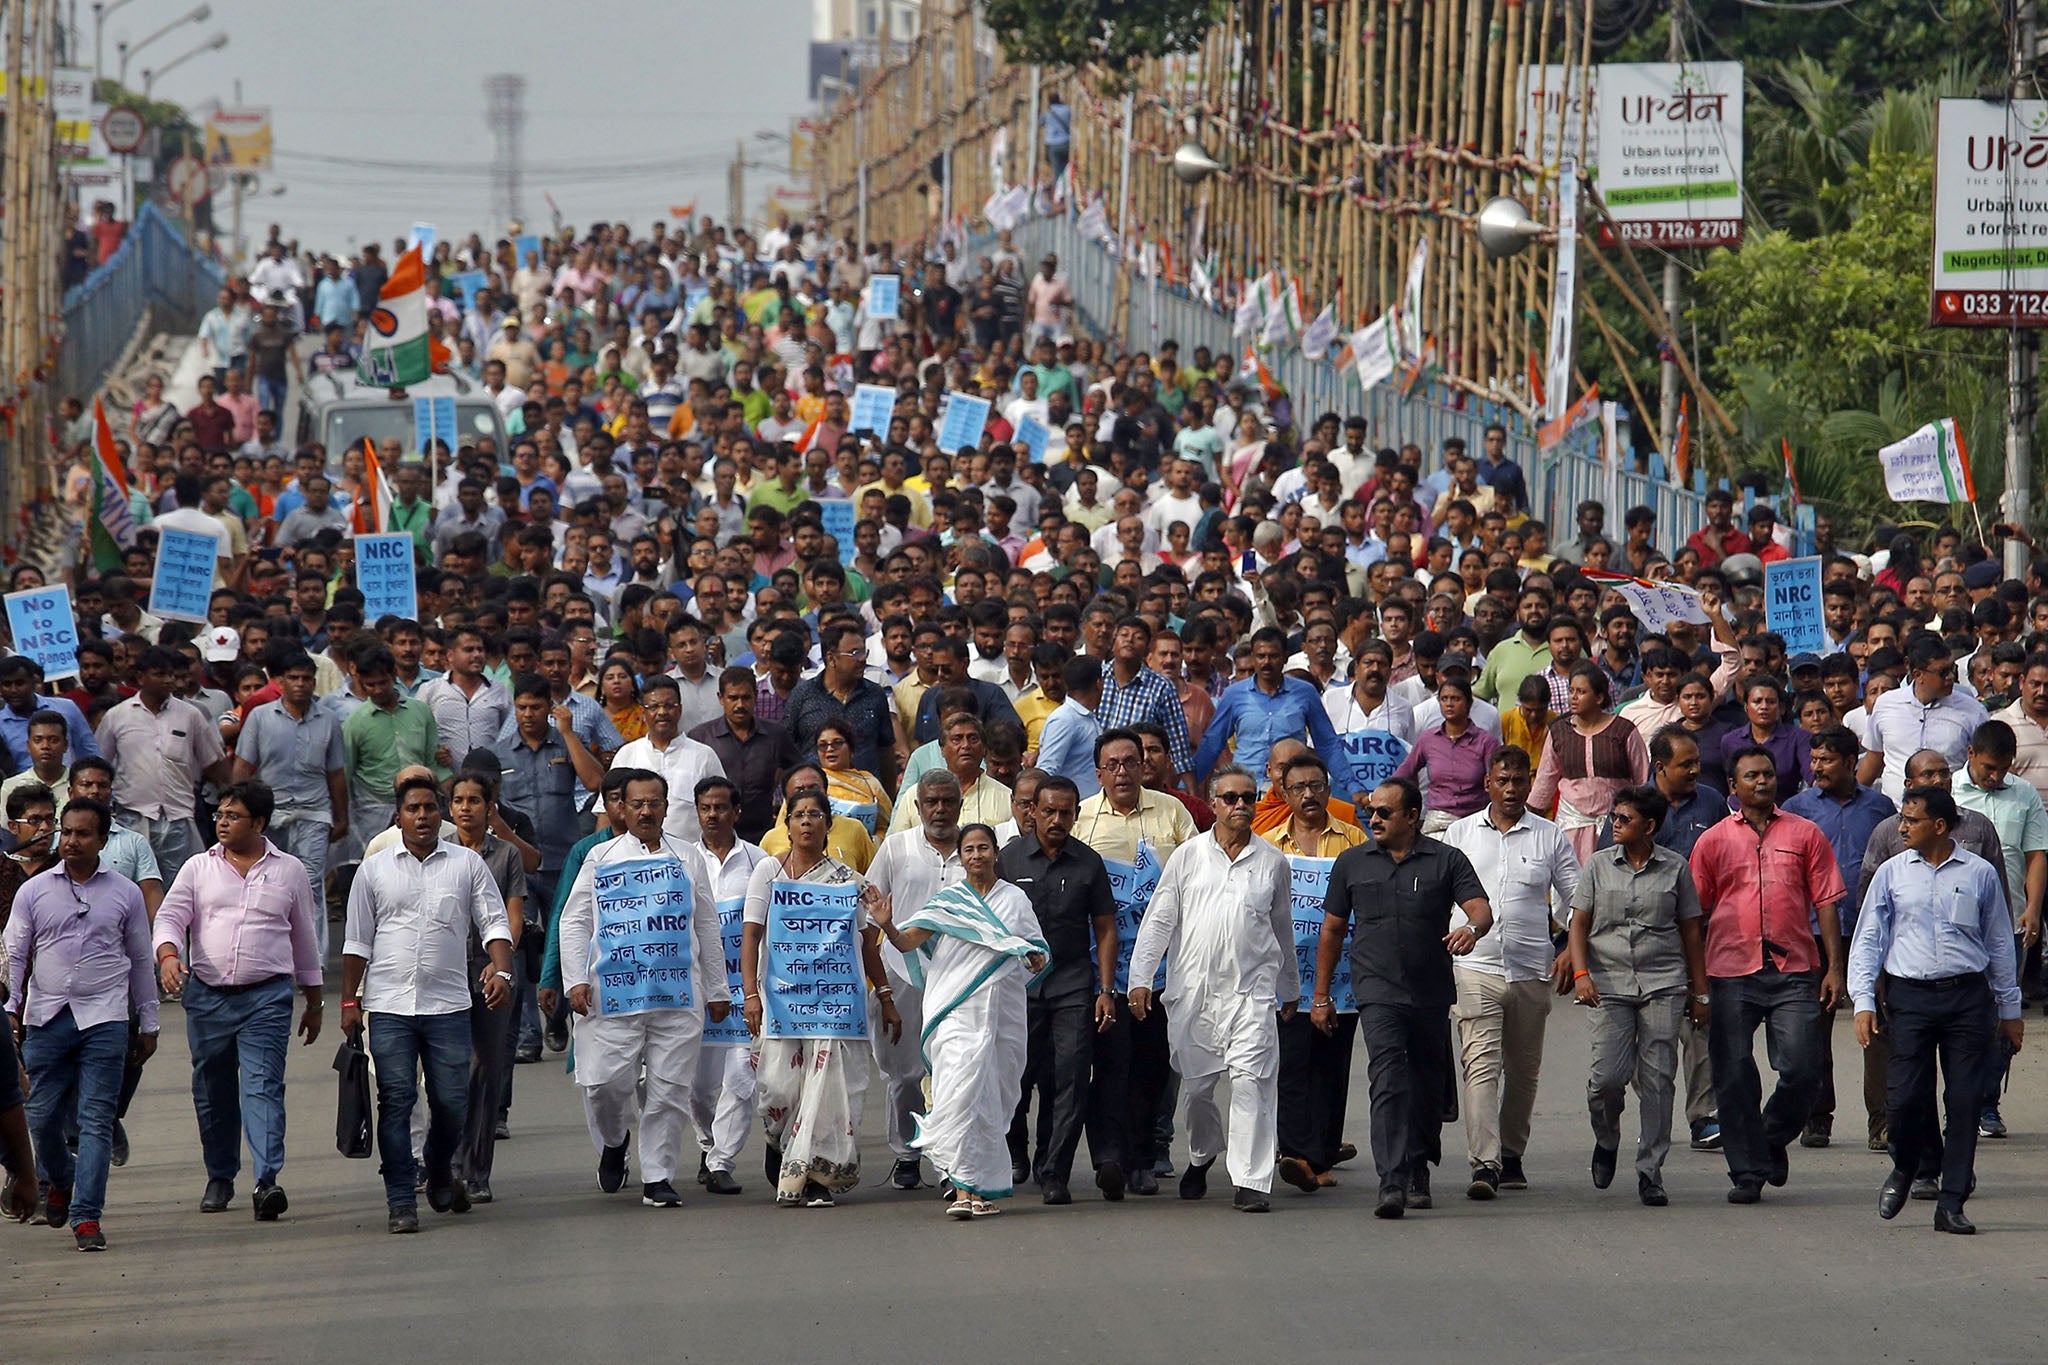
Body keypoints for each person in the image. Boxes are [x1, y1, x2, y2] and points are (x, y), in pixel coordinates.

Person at [341, 774, 515, 1234]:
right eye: (412, 809)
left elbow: (495, 923)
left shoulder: (466, 865)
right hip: (389, 1005)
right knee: (396, 1101)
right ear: (397, 817)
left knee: (452, 1104)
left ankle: (439, 1168)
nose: (422, 816)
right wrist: (348, 1003)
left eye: (429, 809)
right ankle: (401, 1199)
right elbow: (356, 941)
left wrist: (501, 971)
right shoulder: (373, 870)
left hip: (449, 1006)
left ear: (441, 815)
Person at [1315, 776, 1493, 1218]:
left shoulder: (1446, 860)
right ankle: (1392, 1180)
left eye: (1384, 813)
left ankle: (1419, 1165)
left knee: (1426, 1085)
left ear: (1413, 818)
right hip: (1377, 991)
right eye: (1371, 811)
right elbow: (1333, 930)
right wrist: (1321, 995)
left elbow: (1481, 910)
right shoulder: (1352, 863)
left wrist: (1470, 931)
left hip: (1430, 992)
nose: (1373, 819)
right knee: (1389, 1080)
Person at [1852, 786, 2021, 1235]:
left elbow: (2000, 942)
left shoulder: (1979, 873)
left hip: (1968, 999)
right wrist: (1864, 1001)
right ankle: (1906, 1166)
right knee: (1905, 1097)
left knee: (1964, 1101)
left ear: (1940, 827)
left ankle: (1952, 1201)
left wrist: (2010, 1009)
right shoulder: (1892, 873)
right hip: (1910, 998)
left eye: (1911, 820)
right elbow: (1868, 938)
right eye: (1902, 819)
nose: (1901, 827)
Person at [151, 781, 324, 1222]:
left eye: (233, 816)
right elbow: (170, 916)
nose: (222, 823)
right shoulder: (197, 868)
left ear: (259, 823)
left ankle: (267, 1181)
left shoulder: (289, 871)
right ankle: (220, 1174)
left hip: (266, 997)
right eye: (219, 815)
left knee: (263, 1085)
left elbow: (305, 935)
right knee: (212, 1089)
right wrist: (169, 954)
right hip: (208, 997)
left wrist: (315, 998)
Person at [1126, 763, 1294, 1213]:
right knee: (1199, 1091)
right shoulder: (1188, 856)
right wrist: (1140, 979)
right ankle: (1201, 1156)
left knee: (1250, 1084)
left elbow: (1282, 931)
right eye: (1231, 798)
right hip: (1193, 994)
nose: (1241, 805)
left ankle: (1251, 1180)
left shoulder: (1272, 863)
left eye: (1249, 797)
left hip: (1251, 994)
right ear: (1214, 804)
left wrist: (1290, 988)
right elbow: (1160, 919)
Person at [557, 769, 724, 1208]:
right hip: (615, 995)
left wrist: (719, 987)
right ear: (621, 809)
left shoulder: (688, 857)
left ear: (667, 809)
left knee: (669, 1090)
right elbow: (574, 920)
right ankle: (614, 1141)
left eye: (655, 803)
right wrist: (574, 978)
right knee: (605, 1085)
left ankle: (658, 1177)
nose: (646, 811)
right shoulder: (602, 858)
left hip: (677, 995)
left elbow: (706, 922)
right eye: (637, 804)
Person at [1689, 747, 1848, 1204]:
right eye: (1751, 776)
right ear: (1734, 788)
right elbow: (1695, 916)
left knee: (1803, 1069)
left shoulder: (1805, 833)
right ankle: (1747, 1171)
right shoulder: (1714, 841)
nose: (1762, 781)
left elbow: (1826, 902)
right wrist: (1696, 983)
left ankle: (1768, 1137)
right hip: (1729, 970)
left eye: (1768, 774)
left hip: (1795, 968)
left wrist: (1833, 967)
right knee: (1733, 1073)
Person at [3, 798, 158, 1251]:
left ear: (102, 840)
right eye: (66, 832)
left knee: (95, 1121)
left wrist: (148, 1021)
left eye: (82, 834)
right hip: (46, 1017)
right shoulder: (34, 892)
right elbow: (14, 952)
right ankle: (62, 1179)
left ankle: (86, 1217)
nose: (70, 841)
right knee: (39, 1115)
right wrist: (10, 1007)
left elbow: (140, 959)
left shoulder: (125, 893)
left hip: (105, 1018)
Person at [872, 822, 1048, 1219]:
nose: (976, 856)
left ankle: (979, 1190)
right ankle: (962, 1188)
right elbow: (907, 942)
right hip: (954, 1013)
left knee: (991, 1096)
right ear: (962, 856)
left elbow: (1035, 949)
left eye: (983, 848)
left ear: (995, 852)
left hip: (1001, 1014)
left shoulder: (1014, 900)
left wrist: (1035, 957)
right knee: (957, 1094)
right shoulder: (948, 902)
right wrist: (885, 922)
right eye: (968, 850)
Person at [740, 790, 899, 1207]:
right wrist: (750, 995)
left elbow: (867, 943)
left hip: (834, 1005)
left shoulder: (848, 881)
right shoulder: (769, 873)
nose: (807, 822)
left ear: (829, 825)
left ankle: (814, 1178)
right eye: (799, 815)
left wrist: (885, 995)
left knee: (828, 1089)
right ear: (786, 825)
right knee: (776, 1088)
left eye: (815, 815)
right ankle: (780, 1143)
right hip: (780, 1002)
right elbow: (751, 935)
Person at [1439, 746, 1579, 1198]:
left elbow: (1575, 899)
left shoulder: (1549, 836)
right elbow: (1438, 901)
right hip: (1474, 966)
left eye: (1520, 781)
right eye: (1503, 780)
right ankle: (1485, 1164)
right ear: (1488, 784)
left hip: (1531, 969)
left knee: (1523, 1070)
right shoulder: (1458, 835)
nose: (1513, 789)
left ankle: (1512, 1153)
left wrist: (1572, 952)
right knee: (1480, 1066)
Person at [1567, 784, 1709, 1207]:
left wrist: (1699, 992)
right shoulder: (1596, 865)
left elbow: (1690, 931)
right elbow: (1578, 924)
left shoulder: (1676, 868)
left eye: (1624, 819)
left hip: (1663, 981)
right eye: (1614, 817)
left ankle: (1650, 1170)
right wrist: (1580, 973)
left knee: (1658, 1079)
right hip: (1607, 984)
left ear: (1649, 827)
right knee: (1606, 1079)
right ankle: (1607, 1138)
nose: (1615, 824)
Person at [1076, 727, 1198, 1194]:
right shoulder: (1083, 819)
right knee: (1109, 1064)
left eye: (1132, 762)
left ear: (1145, 767)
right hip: (1103, 967)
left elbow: (1196, 873)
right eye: (1114, 765)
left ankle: (1145, 1158)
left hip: (1164, 968)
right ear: (1099, 772)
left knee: (1152, 1065)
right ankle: (1109, 1156)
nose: (1124, 772)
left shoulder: (1172, 813)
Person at [997, 773, 1120, 1203]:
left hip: (1073, 986)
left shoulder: (1089, 863)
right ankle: (1014, 1152)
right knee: (1015, 1075)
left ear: (1076, 814)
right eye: (1047, 810)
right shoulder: (1008, 860)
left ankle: (1055, 1171)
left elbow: (1105, 929)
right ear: (1032, 811)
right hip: (1017, 987)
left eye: (1065, 812)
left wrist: (1106, 989)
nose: (1055, 819)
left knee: (1070, 1079)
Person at [1781, 725, 1897, 1149]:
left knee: (1879, 1027)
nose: (1817, 768)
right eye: (1813, 760)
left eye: (1826, 760)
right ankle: (1816, 1116)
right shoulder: (1797, 807)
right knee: (1814, 1029)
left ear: (1852, 762)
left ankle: (1881, 1122)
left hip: (1872, 930)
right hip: (1811, 933)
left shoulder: (1881, 807)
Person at [1260, 752, 1368, 1193]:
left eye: (1317, 786)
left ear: (1328, 789)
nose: (1309, 795)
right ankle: (1294, 1153)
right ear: (1283, 794)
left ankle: (1320, 1156)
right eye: (1299, 788)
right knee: (1289, 1065)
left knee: (1331, 1067)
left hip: (1341, 980)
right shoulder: (1265, 844)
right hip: (1286, 977)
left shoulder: (1355, 840)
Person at [863, 770, 968, 1190]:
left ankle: (947, 1163)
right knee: (905, 1074)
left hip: (959, 977)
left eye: (947, 801)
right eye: (931, 802)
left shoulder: (975, 848)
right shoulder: (896, 848)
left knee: (951, 1071)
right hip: (902, 976)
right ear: (918, 806)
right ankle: (907, 1154)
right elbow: (870, 917)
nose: (939, 809)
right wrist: (880, 988)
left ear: (960, 805)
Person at [1950, 718, 2047, 1140]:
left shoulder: (2024, 794)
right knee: (1960, 1017)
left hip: (2010, 921)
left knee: (2002, 1012)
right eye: (1989, 767)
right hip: (1956, 924)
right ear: (1971, 755)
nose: (1996, 776)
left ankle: (1988, 1103)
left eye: (2004, 768)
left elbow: (2036, 855)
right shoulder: (1946, 792)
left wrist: (2034, 911)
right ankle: (1958, 1103)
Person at [443, 771, 527, 1204]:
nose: (465, 808)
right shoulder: (437, 854)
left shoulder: (506, 855)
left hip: (491, 970)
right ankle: (446, 1160)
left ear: (489, 806)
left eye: (475, 800)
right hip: (444, 972)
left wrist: (500, 966)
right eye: (458, 800)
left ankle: (477, 1170)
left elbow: (512, 918)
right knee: (448, 1069)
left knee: (485, 1070)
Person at [229, 653, 347, 955]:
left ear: (314, 681)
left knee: (310, 886)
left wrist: (341, 816)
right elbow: (243, 766)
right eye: (293, 678)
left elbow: (336, 773)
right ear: (280, 681)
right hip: (269, 814)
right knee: (268, 882)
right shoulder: (260, 716)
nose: (300, 684)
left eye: (306, 678)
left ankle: (313, 960)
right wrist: (235, 811)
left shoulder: (329, 720)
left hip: (314, 812)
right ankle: (271, 953)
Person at [688, 777, 771, 1195]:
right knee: (699, 1087)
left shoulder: (760, 863)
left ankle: (721, 1161)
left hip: (745, 991)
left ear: (736, 812)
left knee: (741, 1076)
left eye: (721, 807)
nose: (713, 815)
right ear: (697, 812)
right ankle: (708, 1145)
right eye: (706, 808)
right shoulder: (683, 861)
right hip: (697, 991)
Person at [93, 645, 233, 888]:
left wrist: (232, 801)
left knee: (182, 891)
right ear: (140, 677)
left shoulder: (191, 715)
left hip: (179, 820)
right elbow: (99, 765)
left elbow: (215, 763)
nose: (169, 680)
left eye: (171, 674)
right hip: (132, 818)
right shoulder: (117, 716)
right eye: (160, 674)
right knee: (130, 890)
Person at [1531, 663, 1649, 863]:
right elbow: (1545, 778)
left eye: (1581, 692)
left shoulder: (1623, 731)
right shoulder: (1559, 732)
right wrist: (1530, 813)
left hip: (1616, 823)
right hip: (1571, 823)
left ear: (1599, 697)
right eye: (1571, 691)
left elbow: (1642, 779)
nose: (1573, 697)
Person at [1860, 636, 1988, 803]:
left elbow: (1984, 762)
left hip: (1952, 811)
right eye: (1943, 672)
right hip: (1896, 812)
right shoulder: (1886, 704)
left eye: (1952, 669)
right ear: (1918, 675)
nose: (1950, 677)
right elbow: (1874, 759)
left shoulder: (1973, 711)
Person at [610, 675, 727, 844]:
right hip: (638, 858)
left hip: (690, 856)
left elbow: (722, 807)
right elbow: (608, 812)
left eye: (669, 706)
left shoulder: (704, 755)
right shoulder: (627, 754)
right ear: (644, 713)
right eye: (654, 707)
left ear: (679, 710)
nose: (662, 712)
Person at [1393, 676, 1500, 834]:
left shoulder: (1486, 742)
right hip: (1437, 822)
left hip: (1475, 821)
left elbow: (1496, 779)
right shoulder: (1428, 739)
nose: (1449, 704)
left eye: (1455, 699)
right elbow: (1405, 771)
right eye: (1444, 699)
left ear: (1469, 703)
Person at [815, 716, 891, 836]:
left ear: (851, 750)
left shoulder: (869, 783)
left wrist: (872, 843)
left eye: (837, 743)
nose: (830, 749)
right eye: (823, 745)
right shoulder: (810, 781)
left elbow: (888, 826)